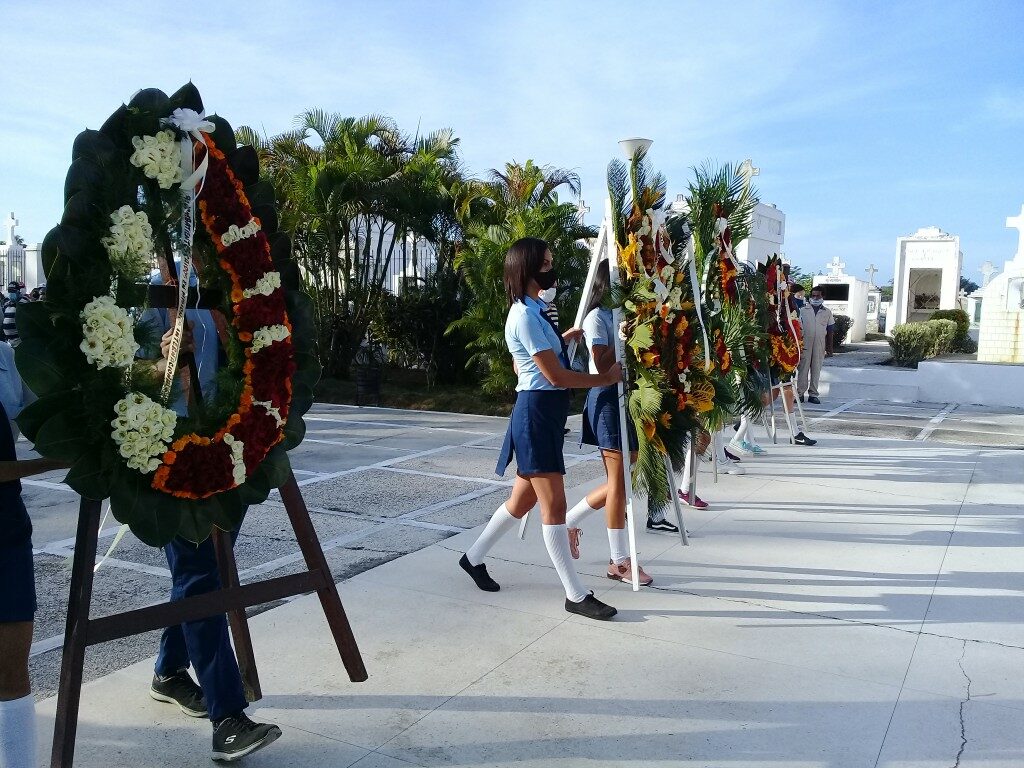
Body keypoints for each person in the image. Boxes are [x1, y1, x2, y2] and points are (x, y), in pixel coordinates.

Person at [142, 268, 281, 762]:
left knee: (202, 574)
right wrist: (156, 368)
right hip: (170, 459)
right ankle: (228, 717)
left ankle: (169, 671)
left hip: (228, 456)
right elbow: (119, 383)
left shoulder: (222, 303)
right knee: (202, 580)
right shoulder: (148, 304)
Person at [459, 238, 622, 620]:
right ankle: (575, 594)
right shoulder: (526, 316)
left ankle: (472, 558)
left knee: (521, 502)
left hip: (542, 415)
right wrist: (604, 378)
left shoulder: (535, 310)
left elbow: (525, 365)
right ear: (529, 269)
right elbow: (554, 376)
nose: (552, 269)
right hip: (535, 415)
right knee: (555, 507)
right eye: (546, 263)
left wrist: (560, 341)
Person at [563, 261, 654, 585]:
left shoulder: (625, 315)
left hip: (626, 399)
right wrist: (623, 334)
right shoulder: (597, 317)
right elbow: (600, 363)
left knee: (624, 479)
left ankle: (571, 519)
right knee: (618, 482)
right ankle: (619, 561)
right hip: (605, 399)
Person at [0, 351, 62, 768]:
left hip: (7, 530)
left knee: (11, 672)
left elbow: (34, 414)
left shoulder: (5, 356)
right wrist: (60, 461)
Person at [797, 286, 834, 404]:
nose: (815, 298)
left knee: (816, 369)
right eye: (813, 295)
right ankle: (800, 394)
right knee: (803, 368)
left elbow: (830, 330)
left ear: (823, 296)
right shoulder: (803, 310)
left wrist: (830, 348)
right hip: (805, 343)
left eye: (818, 295)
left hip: (819, 344)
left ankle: (813, 394)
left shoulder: (827, 312)